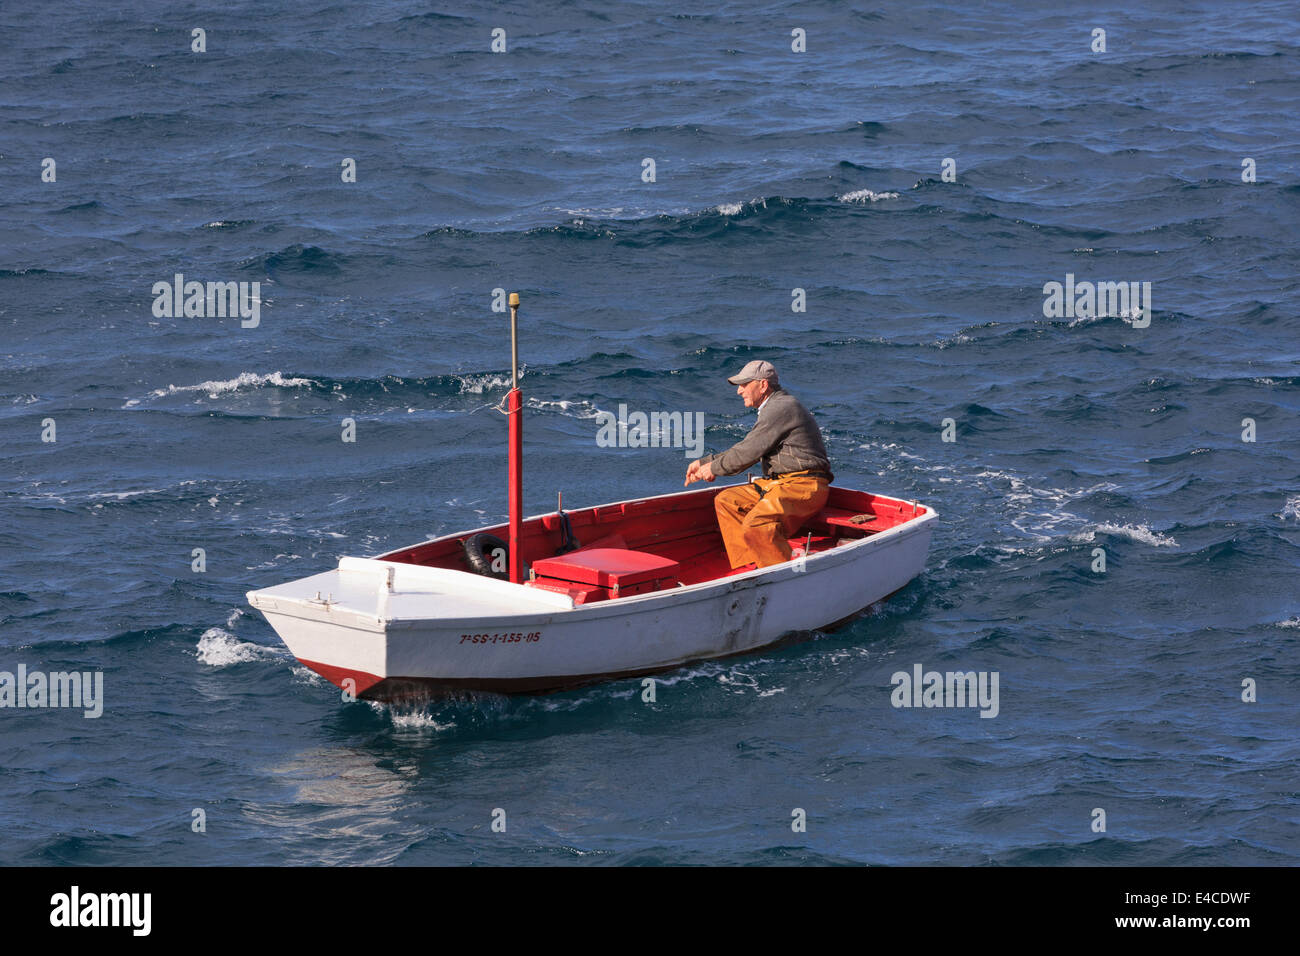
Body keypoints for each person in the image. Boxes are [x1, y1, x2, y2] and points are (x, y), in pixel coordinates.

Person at [684, 360, 833, 569]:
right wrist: (705, 462)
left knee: (758, 524)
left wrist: (713, 469)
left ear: (763, 385)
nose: (739, 391)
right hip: (779, 485)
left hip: (803, 486)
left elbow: (748, 452)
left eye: (744, 384)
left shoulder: (782, 407)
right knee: (727, 501)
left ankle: (783, 577)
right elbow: (748, 447)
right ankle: (751, 567)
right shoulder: (773, 407)